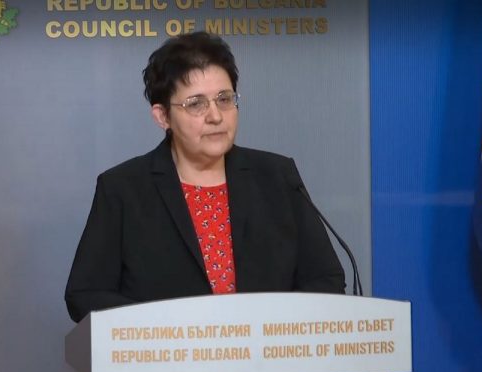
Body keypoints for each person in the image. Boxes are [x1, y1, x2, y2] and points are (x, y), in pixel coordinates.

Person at [65, 32, 345, 323]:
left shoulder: (277, 177)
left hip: (269, 349)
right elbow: (85, 294)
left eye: (224, 99)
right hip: (167, 350)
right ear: (162, 116)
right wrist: (167, 329)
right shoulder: (123, 188)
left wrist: (269, 327)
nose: (215, 116)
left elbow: (326, 279)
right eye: (196, 104)